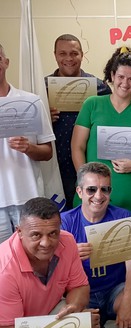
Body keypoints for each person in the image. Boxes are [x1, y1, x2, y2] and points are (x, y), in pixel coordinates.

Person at [0, 197, 100, 328]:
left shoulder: (68, 241)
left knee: (84, 326)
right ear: (19, 232)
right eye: (36, 235)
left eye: (53, 233)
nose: (46, 243)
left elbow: (80, 286)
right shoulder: (4, 269)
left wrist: (74, 309)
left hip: (44, 316)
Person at [60, 162, 131, 328]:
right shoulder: (66, 222)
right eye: (91, 189)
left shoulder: (123, 217)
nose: (98, 196)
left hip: (113, 288)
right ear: (79, 191)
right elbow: (53, 272)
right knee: (71, 314)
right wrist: (69, 255)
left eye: (105, 189)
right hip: (82, 291)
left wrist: (127, 299)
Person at [71, 46, 131, 239]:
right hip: (95, 202)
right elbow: (77, 147)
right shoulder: (92, 105)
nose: (125, 83)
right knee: (93, 259)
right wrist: (86, 184)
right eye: (121, 76)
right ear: (112, 75)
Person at [45, 34, 112, 209]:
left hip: (89, 166)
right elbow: (30, 131)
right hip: (53, 170)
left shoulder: (100, 88)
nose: (68, 58)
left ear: (82, 54)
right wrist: (44, 120)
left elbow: (110, 126)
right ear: (55, 55)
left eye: (74, 53)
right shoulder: (41, 87)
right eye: (63, 53)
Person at [0, 44, 55, 244]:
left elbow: (48, 152)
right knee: (2, 268)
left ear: (6, 62)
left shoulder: (31, 102)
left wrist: (29, 148)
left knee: (34, 261)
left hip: (28, 199)